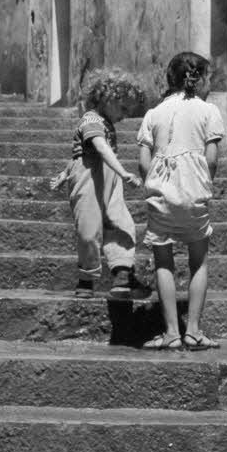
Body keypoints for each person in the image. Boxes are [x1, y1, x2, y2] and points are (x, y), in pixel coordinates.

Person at [136, 52, 226, 351]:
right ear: (198, 79)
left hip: (161, 192)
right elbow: (211, 158)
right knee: (198, 259)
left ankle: (172, 332)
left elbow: (143, 161)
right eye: (208, 77)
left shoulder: (154, 113)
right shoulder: (209, 111)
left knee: (163, 260)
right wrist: (201, 182)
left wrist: (158, 184)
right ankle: (194, 330)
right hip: (193, 192)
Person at [67, 69, 145, 299]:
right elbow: (99, 147)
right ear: (106, 97)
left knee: (121, 221)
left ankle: (122, 273)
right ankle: (86, 277)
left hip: (108, 176)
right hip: (89, 176)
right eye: (123, 108)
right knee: (88, 228)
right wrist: (123, 172)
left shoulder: (107, 122)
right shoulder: (91, 119)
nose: (125, 116)